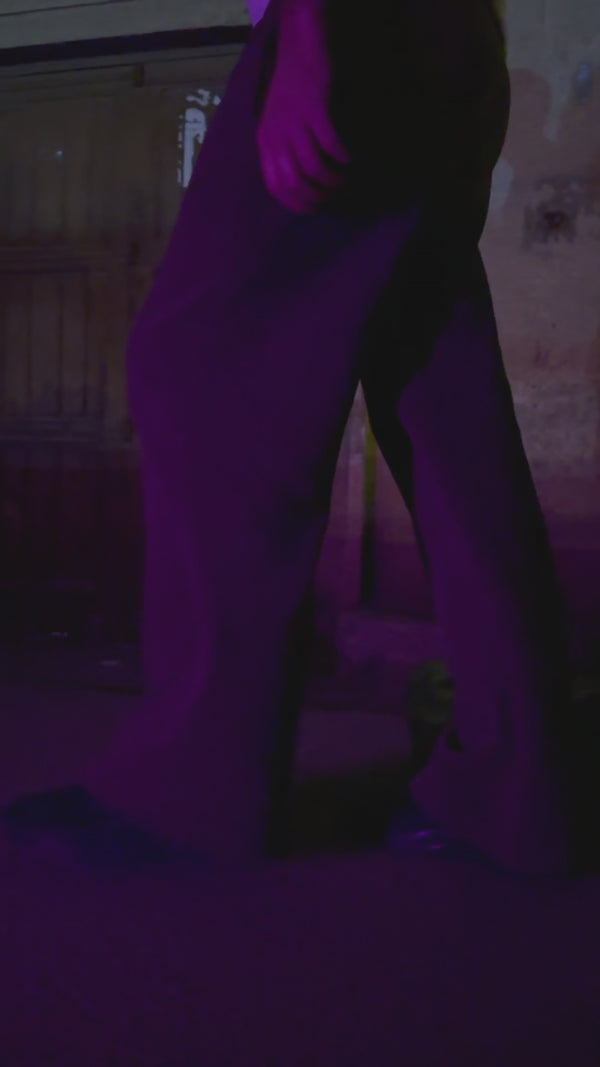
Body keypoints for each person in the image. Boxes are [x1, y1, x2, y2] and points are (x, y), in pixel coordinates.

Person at [2, 0, 580, 876]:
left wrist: (312, 36)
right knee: (443, 403)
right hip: (455, 37)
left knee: (198, 366)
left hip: (361, 24)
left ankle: (187, 791)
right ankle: (521, 786)